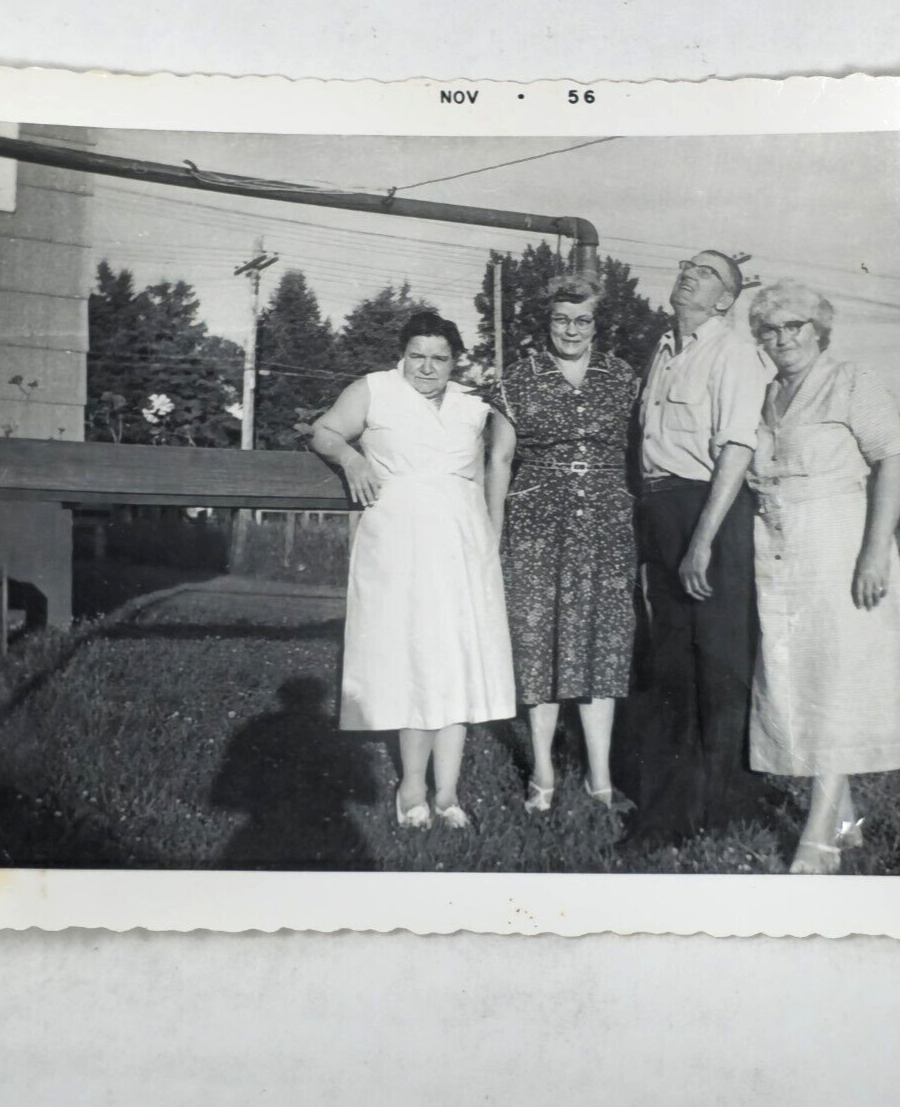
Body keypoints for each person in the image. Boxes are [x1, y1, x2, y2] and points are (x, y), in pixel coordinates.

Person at [744, 281, 900, 874]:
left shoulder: (851, 380)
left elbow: (893, 458)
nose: (783, 339)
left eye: (794, 326)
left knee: (834, 681)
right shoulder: (768, 394)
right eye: (770, 330)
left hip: (838, 542)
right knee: (801, 677)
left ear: (819, 331)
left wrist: (874, 553)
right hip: (779, 547)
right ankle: (846, 820)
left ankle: (818, 838)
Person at [307, 311, 515, 831]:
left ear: (454, 361)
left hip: (462, 544)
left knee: (458, 659)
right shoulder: (375, 389)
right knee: (413, 658)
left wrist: (489, 534)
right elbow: (324, 432)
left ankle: (447, 794)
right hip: (399, 541)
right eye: (417, 356)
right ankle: (413, 789)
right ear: (402, 355)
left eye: (439, 358)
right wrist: (352, 460)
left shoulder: (473, 405)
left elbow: (488, 471)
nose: (426, 367)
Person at [625, 250, 773, 847]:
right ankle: (668, 815)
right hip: (663, 509)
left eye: (708, 272)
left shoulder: (734, 353)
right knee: (670, 668)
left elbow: (737, 449)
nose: (689, 273)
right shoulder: (663, 351)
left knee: (719, 667)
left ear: (726, 300)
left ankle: (724, 809)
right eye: (687, 265)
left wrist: (703, 541)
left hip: (710, 510)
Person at [485, 272, 639, 812]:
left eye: (582, 320)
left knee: (603, 642)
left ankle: (600, 778)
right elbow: (500, 458)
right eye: (560, 319)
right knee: (539, 642)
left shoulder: (623, 378)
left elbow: (637, 454)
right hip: (535, 524)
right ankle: (543, 774)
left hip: (606, 524)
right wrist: (494, 534)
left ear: (597, 324)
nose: (571, 330)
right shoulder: (518, 378)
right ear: (546, 321)